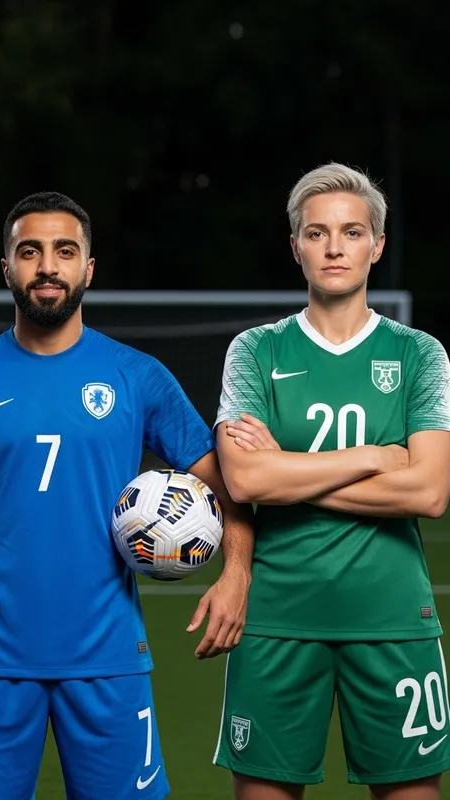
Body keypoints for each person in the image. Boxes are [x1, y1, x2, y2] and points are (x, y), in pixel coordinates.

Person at [0, 190, 255, 799]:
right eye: (30, 252)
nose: (47, 266)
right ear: (6, 268)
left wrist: (236, 574)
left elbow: (231, 485)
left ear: (88, 269)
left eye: (64, 251)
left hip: (108, 655)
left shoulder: (137, 376)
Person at [212, 163, 450, 800]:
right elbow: (243, 479)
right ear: (296, 247)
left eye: (352, 232)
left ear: (377, 245)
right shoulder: (255, 350)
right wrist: (374, 457)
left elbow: (429, 492)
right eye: (317, 233)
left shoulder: (420, 353)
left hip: (393, 619)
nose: (335, 247)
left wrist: (284, 473)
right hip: (276, 620)